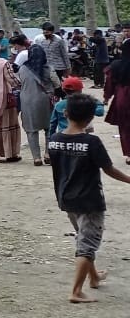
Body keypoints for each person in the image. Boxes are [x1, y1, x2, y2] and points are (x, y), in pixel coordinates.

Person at [46, 93, 130, 303]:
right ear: (91, 117)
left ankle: (93, 277)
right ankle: (76, 291)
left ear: (65, 113)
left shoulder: (54, 140)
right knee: (87, 244)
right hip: (89, 200)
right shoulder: (91, 142)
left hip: (66, 198)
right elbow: (109, 169)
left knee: (83, 237)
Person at [19, 44, 60, 166]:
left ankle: (36, 158)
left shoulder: (22, 69)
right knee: (49, 128)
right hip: (45, 101)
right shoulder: (48, 68)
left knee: (31, 130)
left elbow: (19, 82)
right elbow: (57, 84)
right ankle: (48, 154)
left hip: (27, 101)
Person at [103, 46, 130, 165]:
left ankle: (129, 155)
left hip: (122, 97)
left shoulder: (116, 65)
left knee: (125, 127)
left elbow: (109, 83)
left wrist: (106, 97)